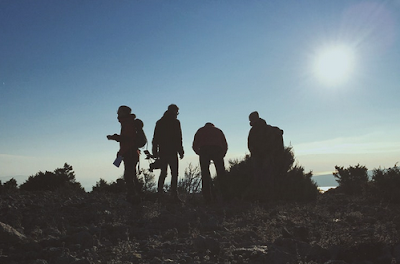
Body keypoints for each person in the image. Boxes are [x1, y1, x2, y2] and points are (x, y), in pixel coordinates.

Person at [107, 105, 142, 203]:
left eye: (119, 111)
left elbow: (127, 139)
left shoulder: (128, 123)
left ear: (124, 113)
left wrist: (115, 137)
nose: (117, 113)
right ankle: (136, 195)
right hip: (131, 152)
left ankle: (133, 196)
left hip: (129, 152)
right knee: (131, 174)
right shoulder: (127, 122)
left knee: (128, 175)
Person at [247, 111, 284, 199]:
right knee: (268, 176)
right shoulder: (269, 129)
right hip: (267, 156)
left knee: (262, 176)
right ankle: (268, 196)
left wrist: (255, 153)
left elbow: (250, 144)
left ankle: (264, 197)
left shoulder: (255, 130)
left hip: (264, 156)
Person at [152, 104, 184, 202]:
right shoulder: (175, 122)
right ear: (174, 111)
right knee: (174, 173)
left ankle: (160, 193)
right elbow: (178, 138)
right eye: (176, 111)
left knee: (164, 173)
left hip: (163, 151)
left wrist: (155, 151)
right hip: (171, 152)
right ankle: (173, 195)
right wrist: (180, 150)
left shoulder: (160, 122)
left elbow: (155, 138)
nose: (177, 114)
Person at [192, 122, 228, 203]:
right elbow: (225, 144)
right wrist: (222, 154)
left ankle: (208, 198)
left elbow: (194, 145)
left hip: (204, 151)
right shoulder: (218, 131)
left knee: (205, 175)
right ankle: (225, 196)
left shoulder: (200, 130)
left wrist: (199, 153)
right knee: (221, 174)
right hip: (217, 151)